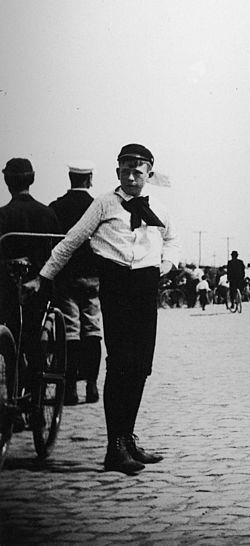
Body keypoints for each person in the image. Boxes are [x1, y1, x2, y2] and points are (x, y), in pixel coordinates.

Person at [31, 143, 180, 475]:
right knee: (120, 364)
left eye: (137, 171)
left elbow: (172, 239)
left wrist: (166, 264)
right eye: (124, 171)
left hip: (145, 287)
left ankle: (128, 438)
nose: (130, 177)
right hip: (115, 285)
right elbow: (70, 240)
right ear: (117, 173)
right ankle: (114, 448)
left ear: (149, 174)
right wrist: (44, 277)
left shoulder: (161, 207)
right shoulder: (103, 204)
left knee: (141, 366)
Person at [0, 157, 61, 427]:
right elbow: (57, 255)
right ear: (32, 178)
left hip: (7, 292)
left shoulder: (2, 215)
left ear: (6, 181)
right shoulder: (47, 214)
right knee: (34, 342)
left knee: (11, 339)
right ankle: (35, 403)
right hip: (37, 291)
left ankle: (13, 397)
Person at [48, 163, 104, 405]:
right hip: (92, 278)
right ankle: (91, 386)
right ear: (89, 179)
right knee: (92, 329)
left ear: (70, 178)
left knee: (70, 331)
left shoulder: (56, 207)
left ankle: (69, 388)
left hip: (65, 278)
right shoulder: (98, 206)